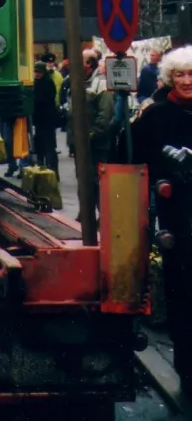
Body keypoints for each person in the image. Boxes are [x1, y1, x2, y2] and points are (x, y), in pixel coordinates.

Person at [120, 46, 192, 392]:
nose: (187, 81)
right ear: (168, 79)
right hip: (179, 219)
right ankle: (188, 366)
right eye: (180, 75)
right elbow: (127, 155)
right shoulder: (155, 115)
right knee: (183, 289)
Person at [81, 49, 114, 209]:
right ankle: (86, 214)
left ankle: (103, 216)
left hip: (96, 143)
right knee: (84, 179)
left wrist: (91, 135)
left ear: (88, 63)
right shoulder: (79, 81)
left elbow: (105, 115)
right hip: (82, 142)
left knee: (98, 181)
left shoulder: (100, 83)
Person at [33, 61, 59, 174]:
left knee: (47, 146)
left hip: (46, 119)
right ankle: (47, 169)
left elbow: (44, 100)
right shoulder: (42, 82)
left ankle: (51, 169)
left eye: (38, 72)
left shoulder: (46, 83)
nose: (37, 74)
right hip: (41, 119)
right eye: (36, 72)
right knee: (43, 145)